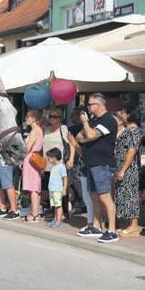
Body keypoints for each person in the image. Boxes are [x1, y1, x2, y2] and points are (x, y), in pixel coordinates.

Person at [75, 93, 119, 243]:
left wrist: (85, 124)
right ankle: (96, 226)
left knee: (105, 196)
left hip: (102, 163)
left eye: (90, 104)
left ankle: (112, 230)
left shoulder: (108, 120)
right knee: (94, 196)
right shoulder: (94, 121)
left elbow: (91, 136)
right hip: (91, 163)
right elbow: (79, 137)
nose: (88, 107)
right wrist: (87, 129)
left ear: (99, 106)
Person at [42, 108, 75, 218]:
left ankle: (64, 212)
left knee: (60, 189)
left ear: (60, 118)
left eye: (55, 117)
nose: (52, 118)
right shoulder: (46, 130)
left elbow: (72, 144)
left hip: (59, 164)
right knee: (51, 188)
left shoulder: (63, 129)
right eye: (50, 116)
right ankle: (54, 212)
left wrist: (71, 159)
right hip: (47, 164)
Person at [114, 105, 142, 237]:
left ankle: (134, 225)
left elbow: (132, 151)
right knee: (124, 195)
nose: (121, 114)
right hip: (123, 167)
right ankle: (129, 224)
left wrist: (123, 170)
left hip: (129, 169)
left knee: (131, 196)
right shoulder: (128, 129)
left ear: (129, 115)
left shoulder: (134, 131)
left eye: (124, 112)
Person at [69, 107, 96, 235]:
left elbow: (81, 148)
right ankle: (91, 222)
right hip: (84, 166)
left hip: (91, 165)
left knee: (93, 196)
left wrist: (74, 143)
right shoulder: (78, 128)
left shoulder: (91, 128)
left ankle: (94, 223)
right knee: (87, 195)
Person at [22, 109, 43, 222]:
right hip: (34, 159)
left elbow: (27, 147)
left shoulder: (35, 131)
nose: (26, 119)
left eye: (28, 117)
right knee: (35, 187)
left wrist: (20, 158)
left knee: (33, 187)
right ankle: (36, 212)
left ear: (34, 118)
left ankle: (34, 214)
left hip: (31, 159)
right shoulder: (38, 130)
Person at [45, 148, 67, 228]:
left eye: (49, 158)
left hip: (57, 189)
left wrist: (64, 189)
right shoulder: (54, 166)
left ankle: (59, 221)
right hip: (52, 189)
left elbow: (65, 178)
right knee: (55, 205)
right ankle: (55, 219)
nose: (48, 160)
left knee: (58, 205)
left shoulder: (61, 166)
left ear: (54, 157)